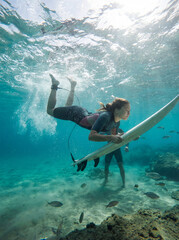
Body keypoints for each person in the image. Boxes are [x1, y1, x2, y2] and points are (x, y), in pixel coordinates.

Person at [47, 74, 131, 187]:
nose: (129, 113)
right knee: (50, 110)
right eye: (127, 110)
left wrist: (126, 137)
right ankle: (55, 85)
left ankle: (72, 85)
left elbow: (113, 137)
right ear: (117, 110)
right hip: (76, 113)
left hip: (83, 112)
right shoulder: (106, 116)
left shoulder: (117, 121)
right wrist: (112, 137)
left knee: (67, 105)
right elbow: (91, 136)